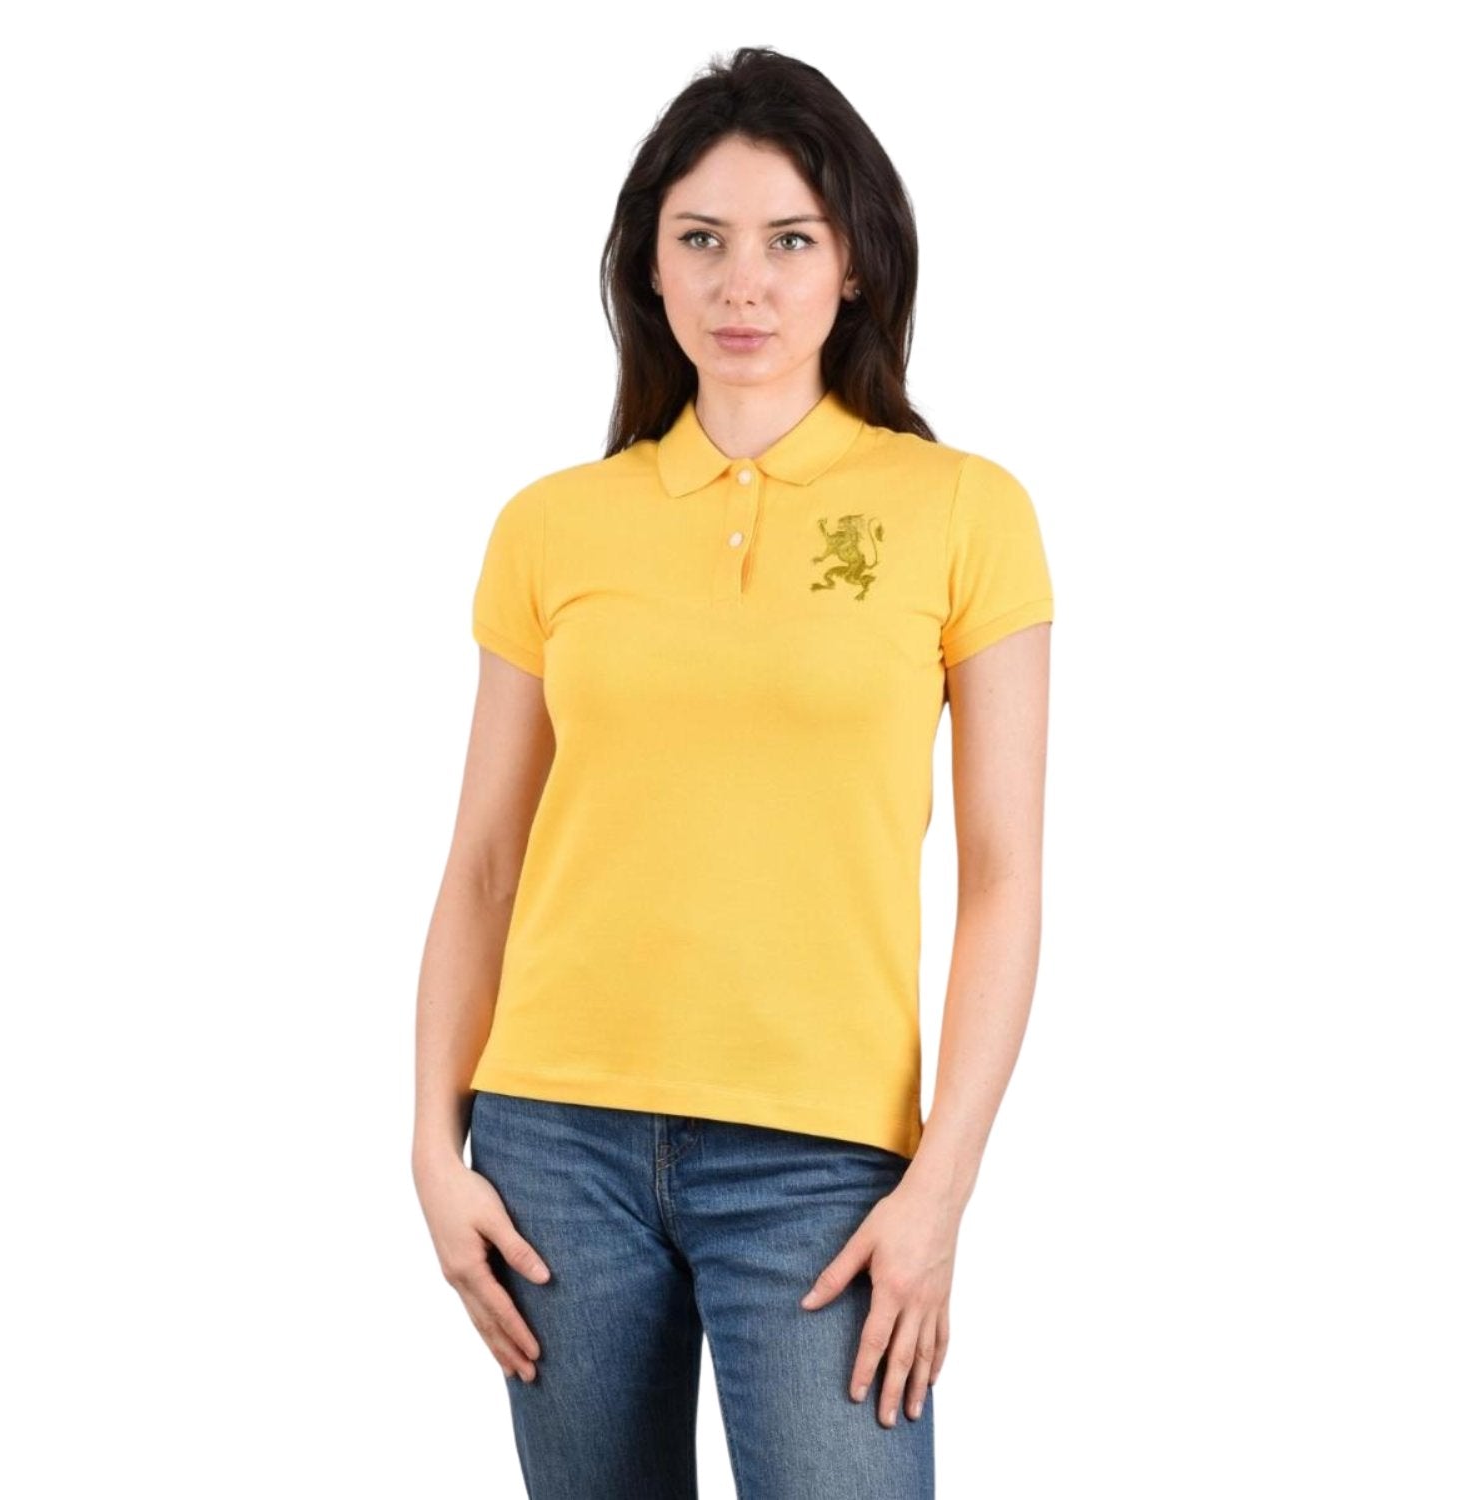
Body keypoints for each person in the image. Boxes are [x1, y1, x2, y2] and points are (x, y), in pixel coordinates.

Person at [412, 45, 1054, 1499]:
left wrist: (942, 1187)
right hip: (554, 1146)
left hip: (825, 1166)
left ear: (856, 264)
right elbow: (486, 865)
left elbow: (1005, 878)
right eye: (700, 240)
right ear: (649, 268)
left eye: (789, 241)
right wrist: (433, 1150)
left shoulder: (964, 511)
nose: (741, 284)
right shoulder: (552, 525)